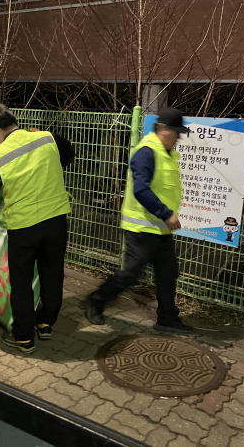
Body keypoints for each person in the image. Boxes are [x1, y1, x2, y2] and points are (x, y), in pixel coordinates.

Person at [0, 103, 73, 353]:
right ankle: (46, 323)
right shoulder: (46, 138)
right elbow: (68, 156)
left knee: (21, 283)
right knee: (53, 274)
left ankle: (23, 337)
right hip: (56, 222)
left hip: (25, 227)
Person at [85, 107, 194, 333]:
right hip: (141, 229)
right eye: (175, 133)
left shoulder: (167, 154)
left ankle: (167, 319)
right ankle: (97, 299)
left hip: (160, 229)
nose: (178, 138)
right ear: (162, 129)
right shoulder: (146, 152)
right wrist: (166, 213)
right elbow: (141, 190)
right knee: (131, 275)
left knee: (168, 274)